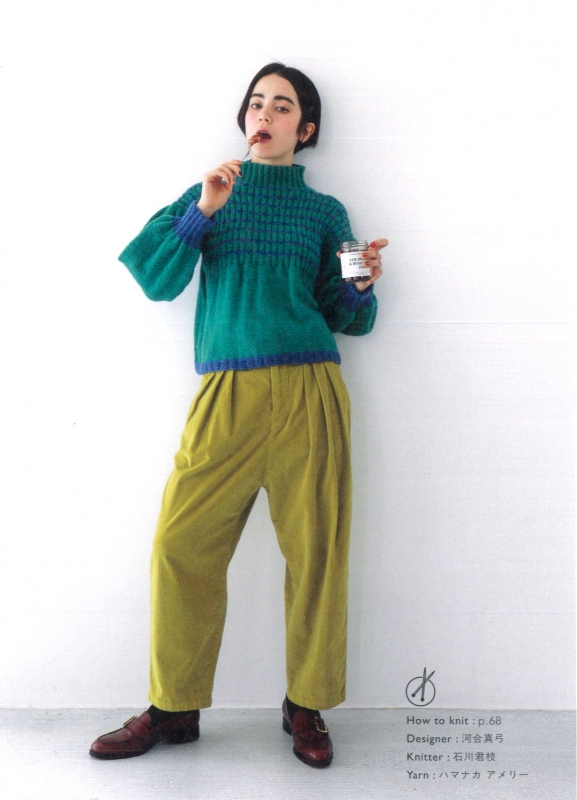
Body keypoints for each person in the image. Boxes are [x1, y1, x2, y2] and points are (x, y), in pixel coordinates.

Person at [89, 63, 387, 768]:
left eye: (282, 107)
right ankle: (173, 706)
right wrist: (203, 210)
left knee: (316, 554)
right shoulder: (210, 193)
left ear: (304, 129)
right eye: (257, 103)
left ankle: (305, 703)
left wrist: (361, 283)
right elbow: (154, 279)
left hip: (310, 389)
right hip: (226, 395)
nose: (266, 115)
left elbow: (351, 317)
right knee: (180, 544)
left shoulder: (327, 213)